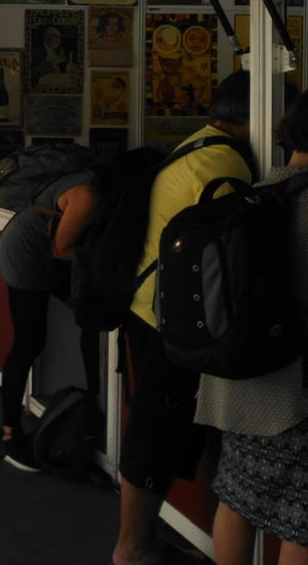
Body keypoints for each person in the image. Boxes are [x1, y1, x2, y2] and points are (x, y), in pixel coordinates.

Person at [112, 70, 254, 565]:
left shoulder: (197, 145)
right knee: (157, 431)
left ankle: (140, 541)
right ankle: (133, 548)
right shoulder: (223, 167)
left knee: (154, 425)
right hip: (170, 319)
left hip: (149, 308)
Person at [194, 93, 308, 565]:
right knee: (301, 522)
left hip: (238, 386)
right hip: (293, 395)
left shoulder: (258, 194)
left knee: (238, 498)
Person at [0, 167, 101, 471]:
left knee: (85, 314)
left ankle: (93, 399)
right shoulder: (88, 194)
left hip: (30, 245)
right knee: (28, 342)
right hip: (27, 252)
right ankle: (9, 435)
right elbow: (61, 248)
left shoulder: (87, 184)